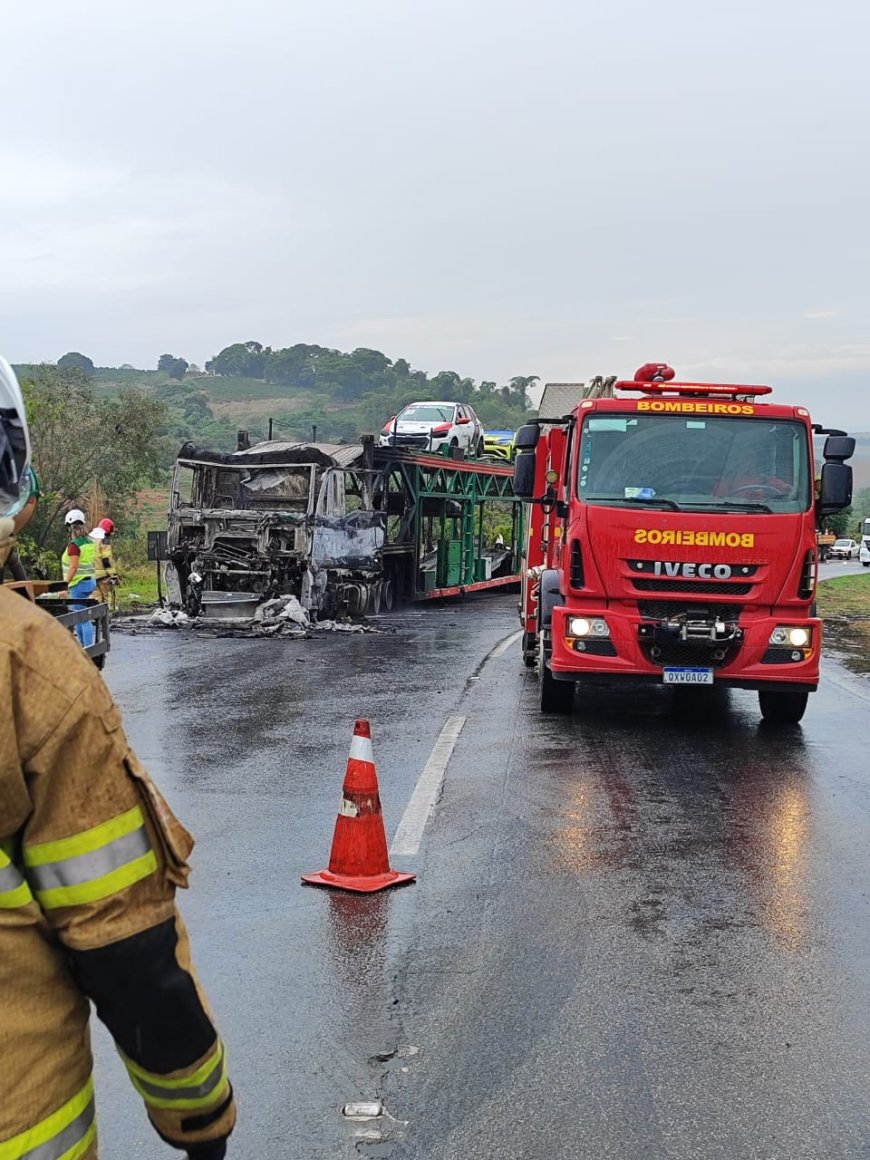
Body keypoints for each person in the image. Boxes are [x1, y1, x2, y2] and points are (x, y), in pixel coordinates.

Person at [0, 356, 236, 1159]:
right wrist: (201, 1121)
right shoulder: (24, 665)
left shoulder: (74, 588)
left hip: (87, 610)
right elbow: (124, 940)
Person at [62, 508, 98, 647]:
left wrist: (64, 585)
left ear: (69, 528)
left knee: (82, 618)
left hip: (78, 584)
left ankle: (87, 649)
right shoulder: (88, 541)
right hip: (89, 581)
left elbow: (73, 567)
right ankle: (84, 647)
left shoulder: (74, 545)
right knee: (80, 616)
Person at [92, 517, 120, 609]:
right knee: (104, 599)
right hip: (101, 576)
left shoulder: (90, 537)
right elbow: (106, 560)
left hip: (88, 574)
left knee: (95, 597)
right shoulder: (104, 539)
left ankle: (94, 619)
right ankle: (104, 620)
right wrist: (113, 575)